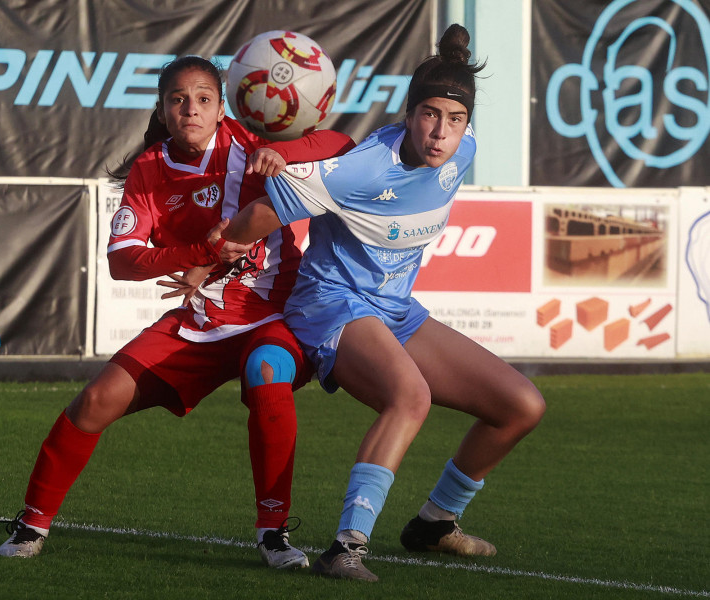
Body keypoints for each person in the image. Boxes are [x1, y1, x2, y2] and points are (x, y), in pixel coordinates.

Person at [213, 24, 546, 582]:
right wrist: (218, 247)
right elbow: (263, 215)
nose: (441, 132)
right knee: (410, 396)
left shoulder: (463, 154)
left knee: (521, 405)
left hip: (395, 308)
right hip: (331, 302)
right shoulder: (363, 165)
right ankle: (346, 547)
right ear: (409, 112)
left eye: (455, 119)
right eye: (429, 114)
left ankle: (435, 524)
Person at [0, 55, 354, 569]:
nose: (191, 109)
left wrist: (284, 151)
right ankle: (31, 523)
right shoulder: (149, 168)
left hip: (274, 314)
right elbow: (122, 261)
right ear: (163, 111)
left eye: (204, 99)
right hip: (201, 320)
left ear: (221, 107)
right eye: (178, 100)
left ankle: (273, 533)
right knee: (96, 400)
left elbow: (341, 144)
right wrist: (201, 256)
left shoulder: (254, 143)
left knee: (266, 373)